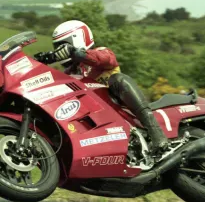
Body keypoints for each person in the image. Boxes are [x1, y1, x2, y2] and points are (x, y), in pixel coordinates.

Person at [38, 20, 168, 157]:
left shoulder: (100, 53)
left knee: (119, 80)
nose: (60, 50)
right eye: (57, 47)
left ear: (77, 38)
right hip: (93, 116)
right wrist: (42, 63)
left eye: (63, 45)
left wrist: (76, 53)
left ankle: (157, 134)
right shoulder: (69, 74)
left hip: (120, 108)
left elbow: (105, 59)